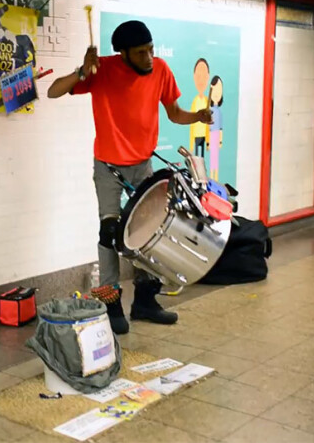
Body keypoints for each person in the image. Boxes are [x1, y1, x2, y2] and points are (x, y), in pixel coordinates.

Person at [47, 20, 213, 334]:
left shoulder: (160, 70)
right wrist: (83, 71)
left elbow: (175, 113)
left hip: (142, 165)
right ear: (123, 53)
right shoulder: (102, 70)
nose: (149, 57)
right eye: (141, 52)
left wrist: (197, 116)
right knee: (110, 233)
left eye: (151, 49)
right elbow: (53, 91)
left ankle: (145, 302)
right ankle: (110, 305)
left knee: (151, 233)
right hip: (108, 166)